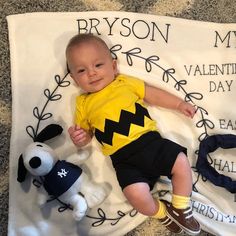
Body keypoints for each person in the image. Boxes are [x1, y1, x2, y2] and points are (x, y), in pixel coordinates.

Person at [66, 33, 200, 235]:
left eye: (98, 65)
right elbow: (86, 135)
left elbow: (153, 94)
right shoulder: (83, 103)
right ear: (74, 79)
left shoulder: (124, 83)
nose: (92, 73)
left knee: (181, 162)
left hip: (151, 144)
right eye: (82, 70)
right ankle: (161, 211)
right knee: (134, 195)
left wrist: (179, 104)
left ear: (113, 66)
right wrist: (80, 137)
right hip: (124, 160)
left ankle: (181, 206)